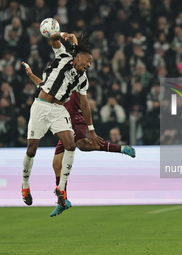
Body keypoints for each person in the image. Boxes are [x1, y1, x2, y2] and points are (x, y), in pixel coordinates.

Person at [22, 63, 136, 217]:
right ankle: (63, 200)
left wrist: (91, 128)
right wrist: (30, 74)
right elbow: (42, 86)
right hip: (60, 122)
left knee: (82, 145)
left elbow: (84, 101)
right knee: (56, 164)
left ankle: (121, 149)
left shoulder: (73, 77)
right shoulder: (53, 80)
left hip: (72, 118)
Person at [21, 31, 101, 209]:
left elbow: (85, 105)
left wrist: (91, 128)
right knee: (32, 150)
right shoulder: (63, 55)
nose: (89, 64)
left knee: (70, 145)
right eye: (88, 61)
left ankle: (62, 189)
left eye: (91, 63)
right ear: (78, 57)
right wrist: (61, 33)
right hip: (41, 107)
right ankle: (25, 186)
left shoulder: (82, 79)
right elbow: (53, 39)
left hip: (59, 110)